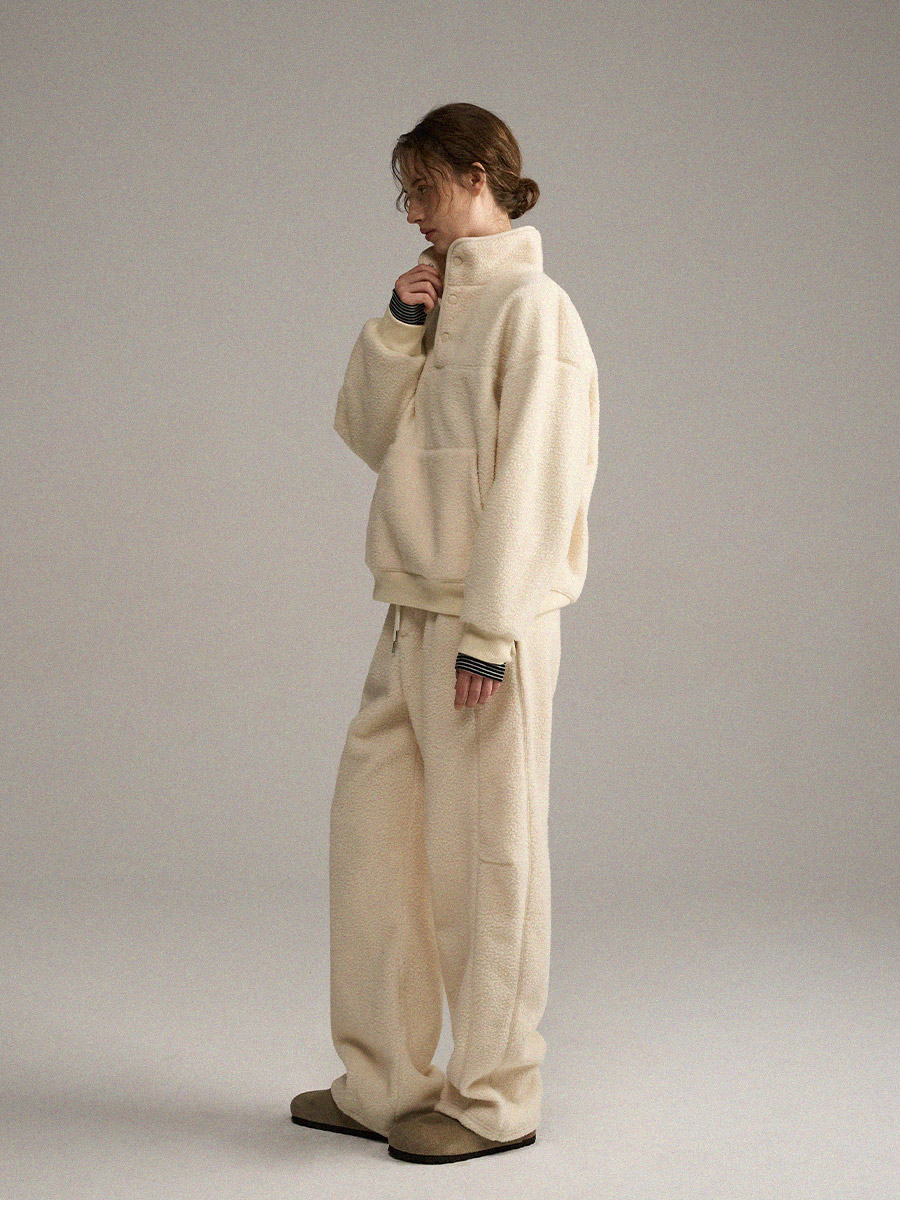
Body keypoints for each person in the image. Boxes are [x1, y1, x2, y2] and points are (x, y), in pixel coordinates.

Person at [290, 102, 600, 1164]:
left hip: (484, 626)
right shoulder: (436, 302)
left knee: (487, 860)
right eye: (405, 195)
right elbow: (369, 436)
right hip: (407, 611)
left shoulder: (535, 310)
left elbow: (540, 479)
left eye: (423, 189)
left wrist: (492, 629)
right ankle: (384, 1082)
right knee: (374, 849)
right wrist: (397, 325)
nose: (413, 213)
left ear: (477, 176)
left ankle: (495, 1098)